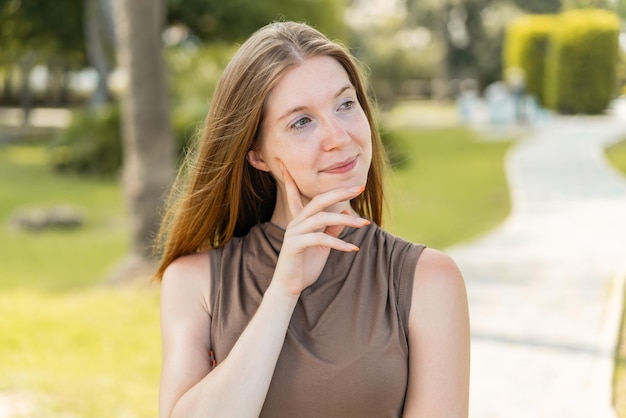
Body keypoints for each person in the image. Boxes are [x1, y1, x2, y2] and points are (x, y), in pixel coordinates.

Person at [155, 21, 470, 418]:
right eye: (302, 121)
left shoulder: (428, 280)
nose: (338, 137)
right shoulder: (195, 281)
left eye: (345, 105)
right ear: (257, 154)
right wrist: (283, 292)